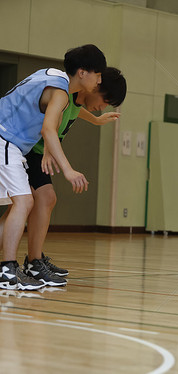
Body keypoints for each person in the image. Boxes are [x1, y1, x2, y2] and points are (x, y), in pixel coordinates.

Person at [0, 44, 106, 291]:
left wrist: (48, 150)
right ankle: (7, 269)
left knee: (22, 203)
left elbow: (49, 120)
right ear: (82, 72)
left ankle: (10, 266)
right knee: (25, 202)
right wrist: (68, 170)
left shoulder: (54, 77)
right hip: (4, 138)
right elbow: (48, 129)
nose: (99, 80)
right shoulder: (60, 92)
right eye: (98, 74)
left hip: (9, 143)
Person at [17, 67, 126, 284]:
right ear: (95, 85)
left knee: (38, 202)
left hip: (36, 154)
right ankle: (32, 262)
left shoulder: (76, 99)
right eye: (105, 100)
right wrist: (67, 168)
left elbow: (76, 110)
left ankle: (34, 260)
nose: (102, 106)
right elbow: (51, 122)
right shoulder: (64, 92)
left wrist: (96, 120)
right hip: (29, 151)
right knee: (29, 204)